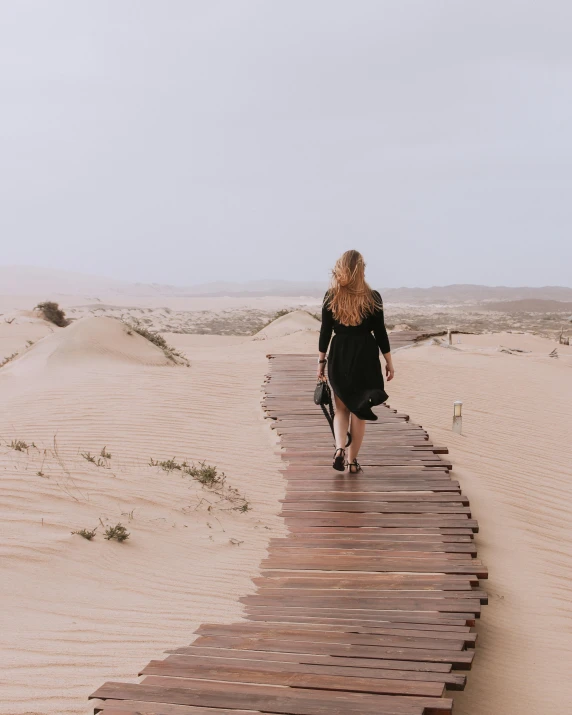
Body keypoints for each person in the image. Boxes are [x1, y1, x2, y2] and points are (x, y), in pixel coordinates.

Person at [318, 249, 394, 472]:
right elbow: (380, 333)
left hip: (340, 352)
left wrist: (320, 362)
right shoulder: (373, 297)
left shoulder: (331, 296)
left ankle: (339, 448)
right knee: (359, 411)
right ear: (361, 269)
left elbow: (325, 332)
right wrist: (389, 361)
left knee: (341, 409)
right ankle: (352, 463)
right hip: (366, 355)